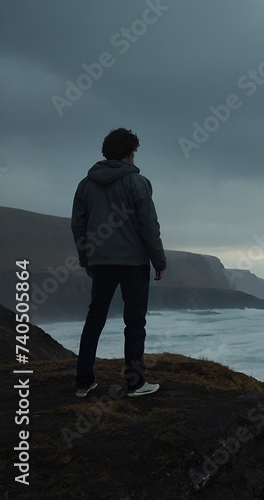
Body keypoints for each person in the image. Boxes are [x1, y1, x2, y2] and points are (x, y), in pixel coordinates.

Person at [71, 128, 166, 398]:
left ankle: (83, 382)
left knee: (95, 318)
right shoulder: (138, 183)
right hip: (133, 262)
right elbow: (149, 226)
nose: (134, 157)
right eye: (134, 152)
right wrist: (158, 260)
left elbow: (78, 226)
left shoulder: (85, 184)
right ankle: (135, 384)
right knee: (134, 322)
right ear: (128, 153)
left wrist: (86, 259)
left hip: (100, 262)